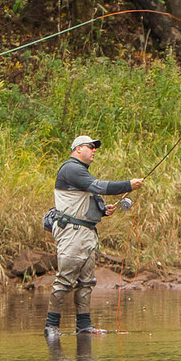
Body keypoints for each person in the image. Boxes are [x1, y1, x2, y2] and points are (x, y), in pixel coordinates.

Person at [44, 135, 143, 339]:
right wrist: (128, 185)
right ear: (77, 149)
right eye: (90, 147)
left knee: (87, 281)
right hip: (71, 232)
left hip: (86, 233)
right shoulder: (71, 168)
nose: (94, 150)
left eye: (95, 147)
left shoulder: (81, 173)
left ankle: (84, 325)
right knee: (64, 280)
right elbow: (99, 187)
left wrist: (102, 210)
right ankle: (51, 326)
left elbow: (85, 200)